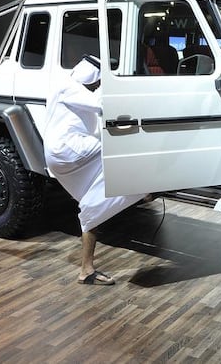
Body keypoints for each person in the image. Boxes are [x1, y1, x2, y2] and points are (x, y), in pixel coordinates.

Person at [44, 55, 147, 286]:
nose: (97, 86)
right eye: (97, 82)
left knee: (92, 205)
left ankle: (86, 270)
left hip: (63, 156)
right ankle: (144, 188)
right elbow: (103, 105)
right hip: (70, 151)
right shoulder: (69, 88)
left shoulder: (65, 86)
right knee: (121, 151)